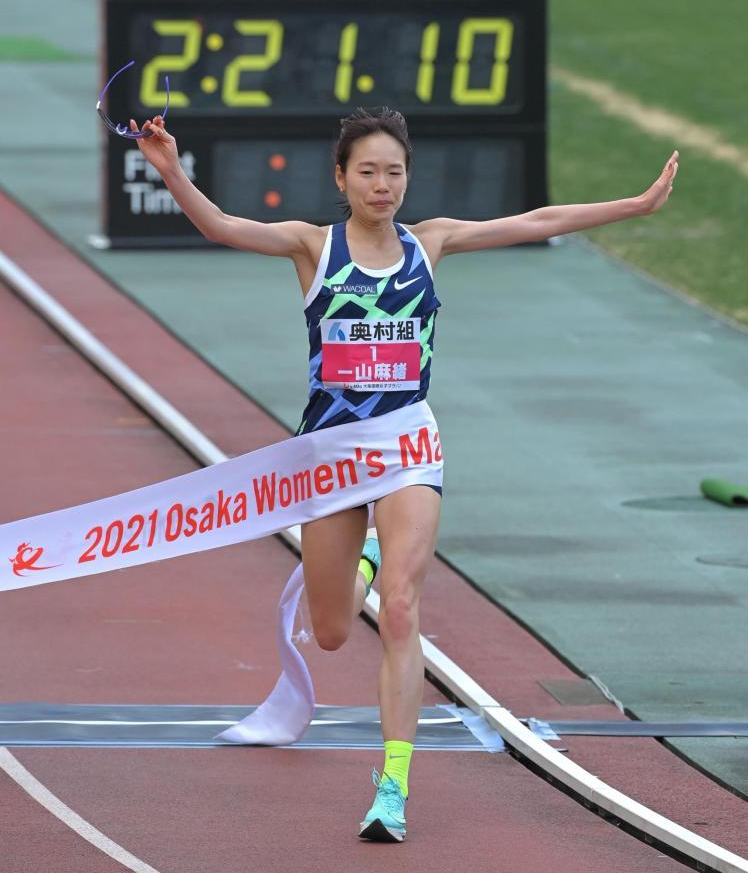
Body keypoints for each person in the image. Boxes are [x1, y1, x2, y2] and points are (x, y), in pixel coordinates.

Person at [130, 108, 678, 842]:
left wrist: (635, 205)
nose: (382, 185)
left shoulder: (433, 242)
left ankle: (392, 786)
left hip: (407, 447)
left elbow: (538, 217)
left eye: (394, 171)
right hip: (331, 453)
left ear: (407, 177)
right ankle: (364, 555)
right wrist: (170, 170)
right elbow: (224, 226)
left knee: (399, 610)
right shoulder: (311, 246)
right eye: (368, 171)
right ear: (341, 177)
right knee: (328, 631)